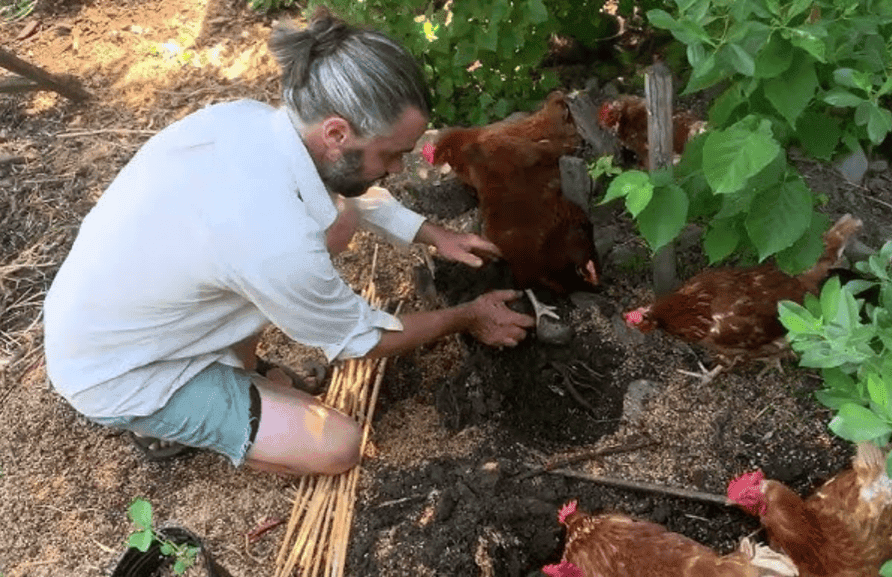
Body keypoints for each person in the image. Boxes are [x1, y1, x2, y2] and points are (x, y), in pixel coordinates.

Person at [42, 12, 535, 476]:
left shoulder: (248, 121)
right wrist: (467, 316)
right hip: (122, 372)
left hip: (111, 317)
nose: (398, 169)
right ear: (336, 133)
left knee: (325, 229)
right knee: (337, 445)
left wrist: (434, 234)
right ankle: (164, 417)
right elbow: (362, 340)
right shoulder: (276, 240)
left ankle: (240, 372)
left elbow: (346, 193)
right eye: (391, 154)